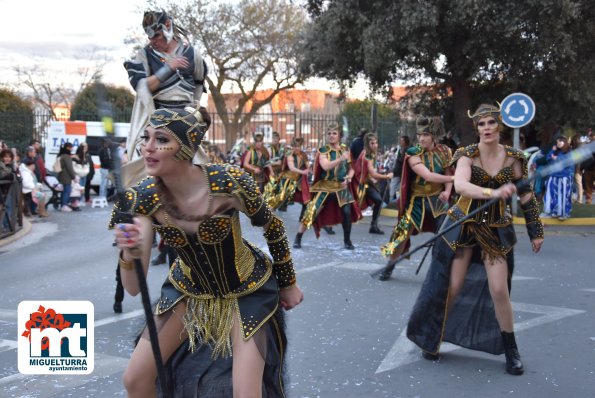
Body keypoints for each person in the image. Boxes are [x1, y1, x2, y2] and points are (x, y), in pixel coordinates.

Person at [110, 106, 303, 397]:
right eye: (146, 137)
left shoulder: (228, 183)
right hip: (189, 292)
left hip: (246, 291)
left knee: (245, 393)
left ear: (186, 148)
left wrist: (288, 283)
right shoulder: (143, 199)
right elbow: (134, 288)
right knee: (135, 379)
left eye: (161, 140)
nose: (148, 147)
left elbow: (272, 227)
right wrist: (129, 252)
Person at [406, 104, 544, 376]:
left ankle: (511, 349)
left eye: (491, 122)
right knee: (453, 286)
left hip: (495, 230)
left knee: (499, 289)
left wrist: (535, 230)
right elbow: (461, 186)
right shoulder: (466, 155)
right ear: (476, 128)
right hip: (463, 226)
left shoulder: (515, 157)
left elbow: (526, 197)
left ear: (499, 125)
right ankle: (433, 339)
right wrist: (492, 193)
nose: (487, 128)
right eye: (481, 124)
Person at [124, 10, 207, 161]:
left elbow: (199, 82)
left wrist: (193, 107)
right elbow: (141, 86)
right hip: (156, 117)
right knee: (143, 162)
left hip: (184, 118)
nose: (152, 41)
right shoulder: (144, 55)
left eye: (156, 35)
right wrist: (168, 68)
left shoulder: (192, 54)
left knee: (196, 165)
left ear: (167, 26)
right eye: (149, 37)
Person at [378, 117, 453, 281]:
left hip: (438, 201)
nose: (421, 138)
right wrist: (456, 180)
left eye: (425, 135)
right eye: (419, 135)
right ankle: (389, 266)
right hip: (416, 201)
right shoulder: (412, 153)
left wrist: (447, 192)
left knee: (445, 236)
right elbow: (428, 175)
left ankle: (438, 272)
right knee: (401, 234)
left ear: (433, 135)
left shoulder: (445, 151)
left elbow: (448, 172)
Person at [294, 122, 362, 250]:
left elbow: (352, 168)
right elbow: (325, 166)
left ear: (339, 136)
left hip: (341, 186)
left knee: (347, 213)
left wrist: (349, 177)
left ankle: (347, 241)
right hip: (325, 186)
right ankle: (298, 237)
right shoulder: (323, 150)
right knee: (312, 211)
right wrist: (340, 159)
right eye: (329, 133)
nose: (331, 136)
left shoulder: (345, 150)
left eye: (334, 133)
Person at [353, 132, 393, 234]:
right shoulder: (366, 156)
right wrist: (386, 176)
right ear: (367, 144)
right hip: (358, 185)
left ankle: (373, 226)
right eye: (372, 143)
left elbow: (371, 173)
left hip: (367, 183)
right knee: (351, 208)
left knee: (378, 200)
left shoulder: (371, 153)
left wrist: (378, 175)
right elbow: (373, 174)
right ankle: (329, 222)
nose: (375, 145)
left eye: (376, 143)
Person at [267, 136, 311, 216]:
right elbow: (291, 167)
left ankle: (302, 216)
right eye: (295, 146)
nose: (296, 148)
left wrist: (309, 169)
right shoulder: (289, 153)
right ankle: (269, 212)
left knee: (305, 197)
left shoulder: (303, 155)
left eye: (298, 146)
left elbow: (307, 165)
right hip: (287, 179)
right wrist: (303, 171)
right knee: (281, 197)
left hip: (298, 180)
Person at [540, 135, 574, 220]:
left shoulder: (569, 152)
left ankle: (565, 213)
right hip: (553, 177)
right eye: (557, 141)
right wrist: (552, 151)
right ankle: (551, 212)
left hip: (564, 178)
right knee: (551, 195)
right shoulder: (555, 151)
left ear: (564, 142)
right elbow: (548, 159)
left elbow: (567, 162)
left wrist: (556, 158)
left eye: (560, 141)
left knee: (564, 196)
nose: (558, 143)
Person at [56, 143, 79, 212]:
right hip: (66, 176)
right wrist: (74, 177)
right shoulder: (66, 156)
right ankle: (64, 205)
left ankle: (63, 204)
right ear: (68, 148)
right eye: (71, 147)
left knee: (64, 191)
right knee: (67, 191)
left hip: (62, 175)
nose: (72, 149)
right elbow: (69, 168)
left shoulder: (61, 155)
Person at [389, 135, 411, 203]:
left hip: (401, 173)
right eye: (400, 140)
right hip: (396, 172)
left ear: (405, 141)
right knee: (393, 188)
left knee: (396, 188)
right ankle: (393, 201)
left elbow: (403, 160)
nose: (400, 142)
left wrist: (398, 157)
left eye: (402, 140)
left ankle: (395, 201)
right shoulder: (400, 149)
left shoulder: (407, 149)